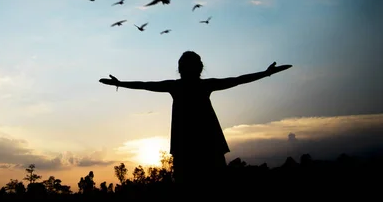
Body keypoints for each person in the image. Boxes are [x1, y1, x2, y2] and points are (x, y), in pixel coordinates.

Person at [99, 51, 292, 190]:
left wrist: (119, 83)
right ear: (198, 68)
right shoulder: (198, 85)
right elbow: (239, 79)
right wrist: (266, 73)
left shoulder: (179, 86)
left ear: (180, 69)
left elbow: (144, 85)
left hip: (193, 150)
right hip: (203, 148)